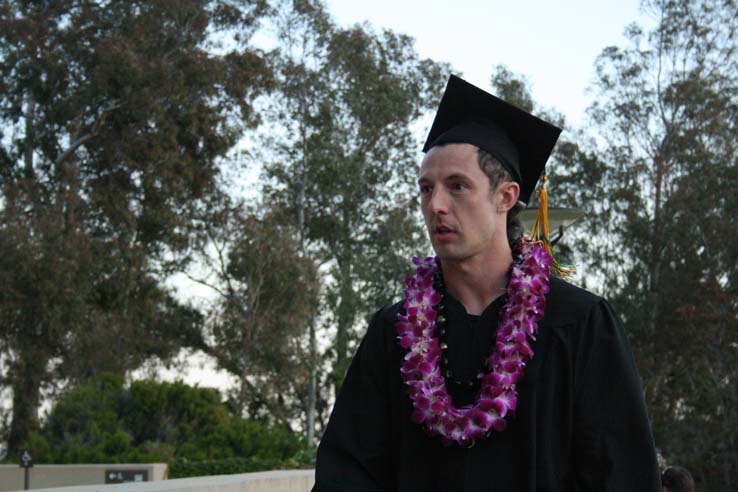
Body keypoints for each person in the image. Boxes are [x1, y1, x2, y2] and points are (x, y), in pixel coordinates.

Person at [312, 75, 661, 491]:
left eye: (457, 186)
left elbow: (621, 474)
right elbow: (347, 473)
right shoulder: (394, 332)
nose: (436, 205)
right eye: (427, 189)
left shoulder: (578, 324)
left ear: (506, 197)